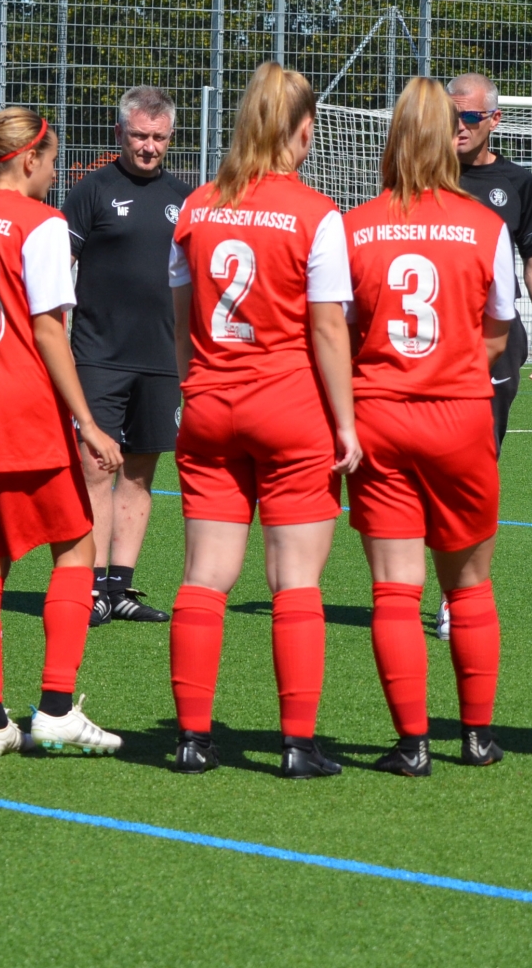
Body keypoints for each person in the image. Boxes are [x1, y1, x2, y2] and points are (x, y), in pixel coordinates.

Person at [166, 62, 360, 778]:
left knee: (205, 574)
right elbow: (329, 330)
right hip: (288, 407)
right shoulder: (317, 213)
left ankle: (191, 738)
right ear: (302, 128)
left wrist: (198, 382)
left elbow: (182, 317)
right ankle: (296, 742)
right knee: (296, 580)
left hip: (211, 403)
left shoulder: (197, 207)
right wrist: (346, 422)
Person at [0, 107, 126, 759]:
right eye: (52, 159)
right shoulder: (42, 225)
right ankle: (53, 708)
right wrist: (87, 420)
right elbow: (50, 330)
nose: (57, 170)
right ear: (27, 159)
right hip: (21, 413)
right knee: (76, 550)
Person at [346, 76, 515, 777]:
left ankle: (412, 744)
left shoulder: (354, 225)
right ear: (450, 138)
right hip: (460, 416)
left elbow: (339, 330)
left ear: (391, 138)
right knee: (469, 584)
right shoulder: (486, 225)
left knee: (394, 588)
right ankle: (475, 736)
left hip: (380, 413)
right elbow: (501, 330)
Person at [62, 85, 193, 625]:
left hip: (161, 358)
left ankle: (121, 588)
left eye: (158, 138)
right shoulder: (90, 191)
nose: (148, 147)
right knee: (95, 469)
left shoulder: (187, 198)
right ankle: (89, 587)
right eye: (139, 136)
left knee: (139, 473)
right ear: (119, 133)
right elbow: (58, 270)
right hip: (97, 356)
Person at [446, 71, 532, 641]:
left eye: (469, 118)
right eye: (451, 116)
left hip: (494, 341)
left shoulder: (516, 182)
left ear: (494, 120)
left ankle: (458, 593)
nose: (458, 128)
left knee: (476, 468)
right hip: (429, 341)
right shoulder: (425, 175)